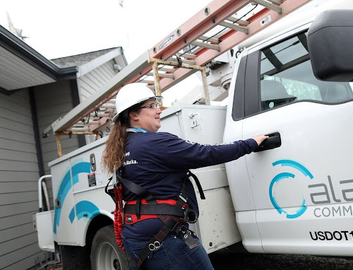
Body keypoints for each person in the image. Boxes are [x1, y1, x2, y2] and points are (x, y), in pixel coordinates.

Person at [102, 83, 267, 270]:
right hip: (165, 238)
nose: (158, 110)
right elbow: (208, 153)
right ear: (134, 115)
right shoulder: (157, 143)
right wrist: (250, 143)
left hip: (136, 237)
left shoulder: (123, 147)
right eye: (151, 106)